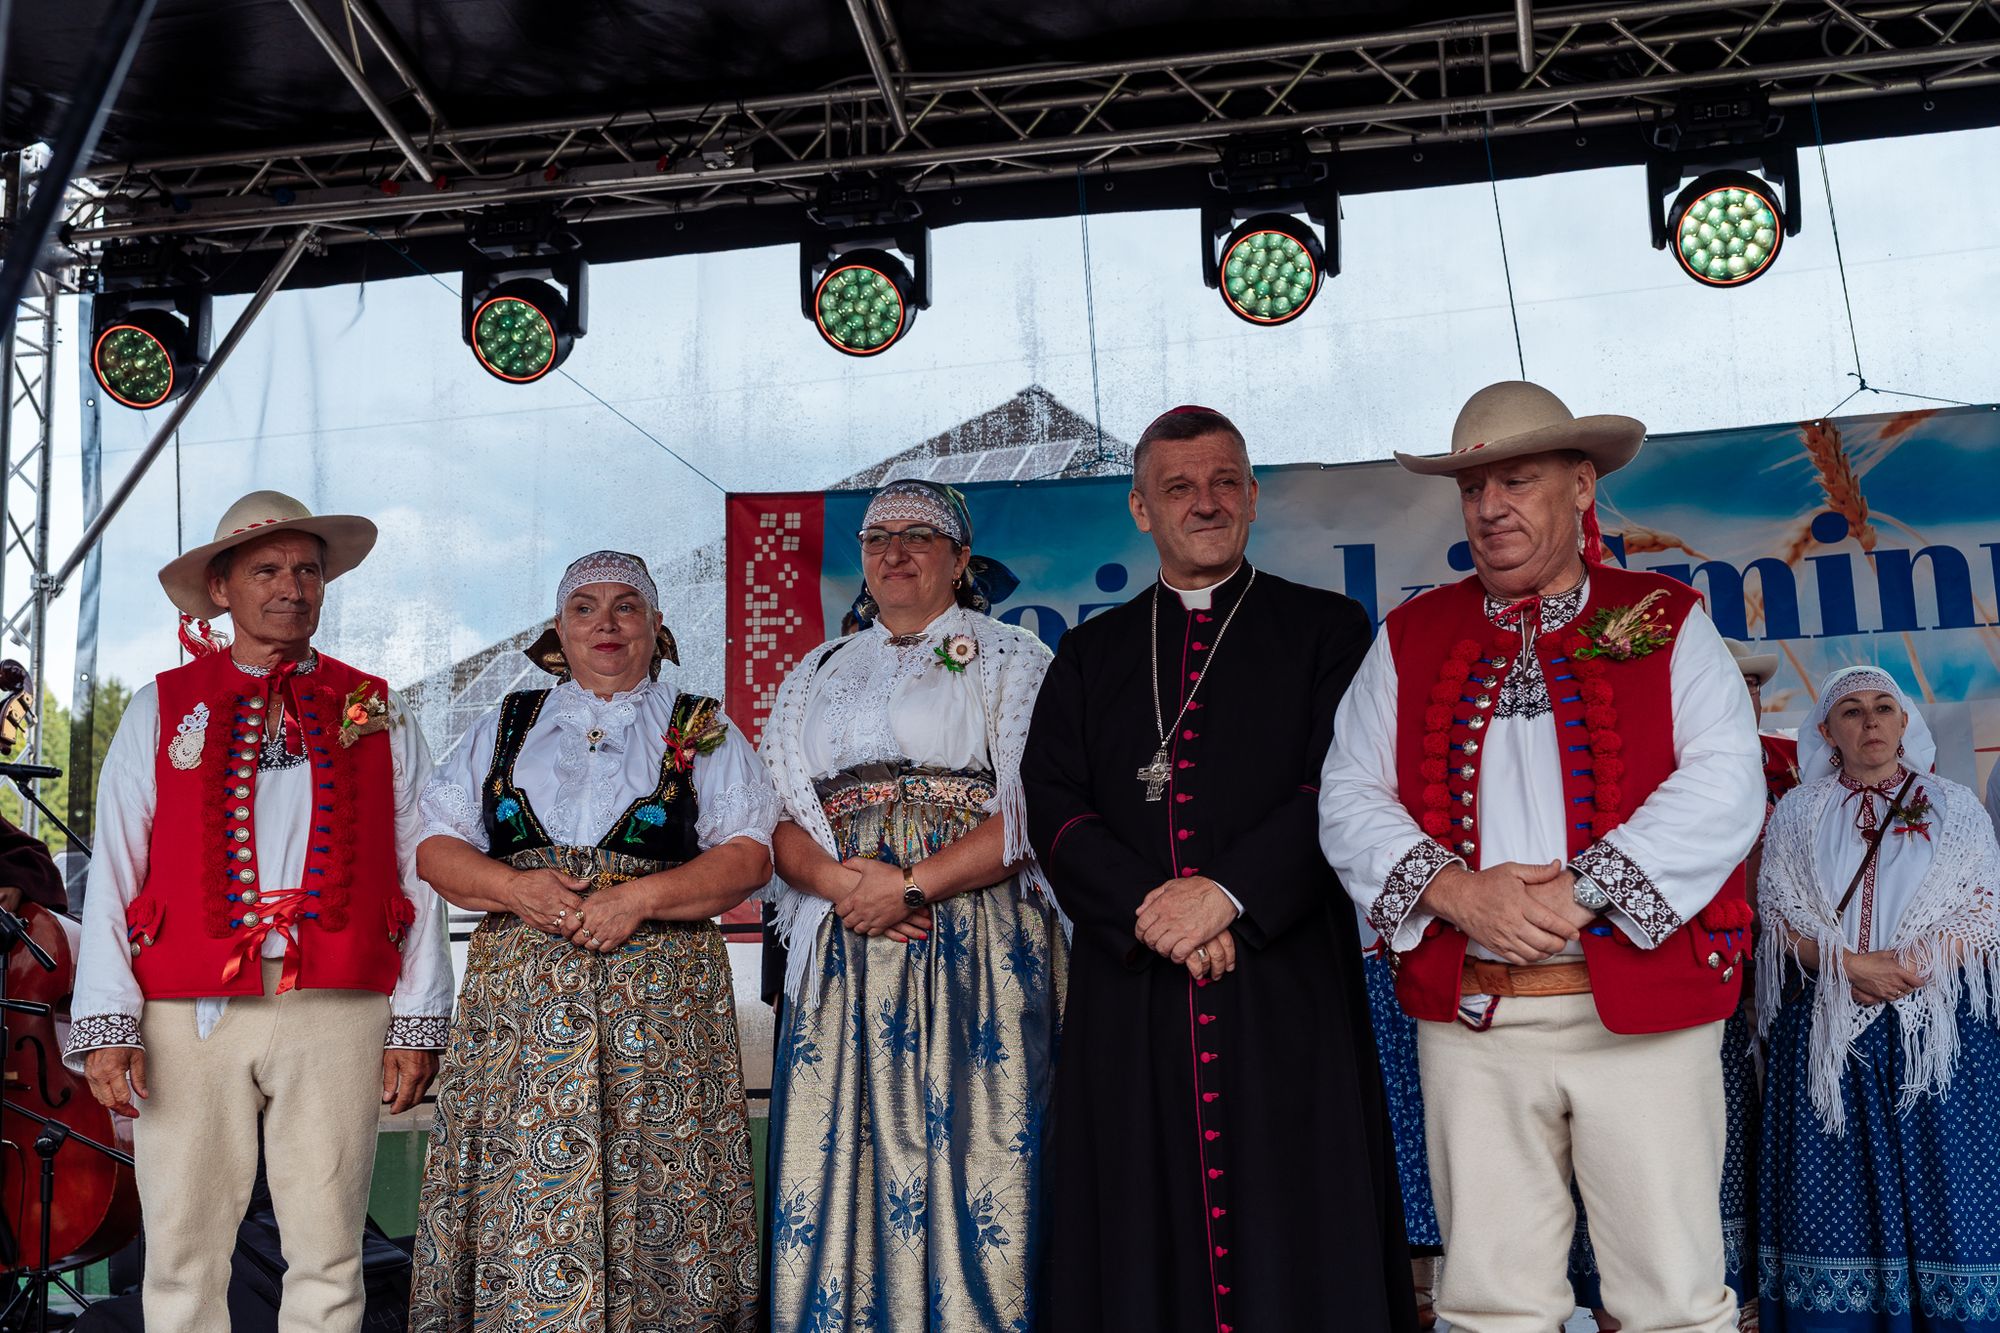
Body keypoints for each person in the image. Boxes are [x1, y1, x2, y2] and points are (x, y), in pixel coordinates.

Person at [1319, 381, 1764, 1333]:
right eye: (1472, 488)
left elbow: (1726, 781)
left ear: (1582, 487)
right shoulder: (1410, 637)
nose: (1490, 507)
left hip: (1642, 1018)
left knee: (1673, 1301)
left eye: (1516, 481)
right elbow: (1348, 794)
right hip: (1475, 1022)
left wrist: (1584, 889)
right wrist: (1456, 891)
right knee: (1490, 1304)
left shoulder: (1667, 617)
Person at [1022, 406, 1415, 1332]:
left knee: (1297, 1216)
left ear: (1253, 496)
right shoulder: (1091, 654)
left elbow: (1342, 786)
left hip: (1284, 979)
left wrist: (1228, 897)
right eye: (1179, 487)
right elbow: (1054, 803)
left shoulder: (1326, 629)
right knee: (1138, 1220)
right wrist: (1154, 912)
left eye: (1225, 482)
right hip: (1138, 986)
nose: (1207, 502)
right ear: (1140, 509)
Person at [63, 490, 454, 1333]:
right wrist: (108, 1022)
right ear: (221, 588)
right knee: (182, 1251)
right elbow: (116, 871)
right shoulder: (159, 707)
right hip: (188, 1008)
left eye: (307, 570)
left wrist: (417, 1019)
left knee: (330, 1251)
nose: (291, 587)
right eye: (268, 569)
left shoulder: (377, 708)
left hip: (339, 1002)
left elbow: (421, 865)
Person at [408, 551, 776, 1333]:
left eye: (625, 606)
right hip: (522, 1013)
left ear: (656, 626)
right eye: (585, 607)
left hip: (659, 1007)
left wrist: (639, 897)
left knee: (661, 1170)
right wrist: (515, 888)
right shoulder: (507, 722)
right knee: (521, 1172)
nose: (605, 623)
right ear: (559, 629)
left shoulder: (699, 725)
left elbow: (749, 855)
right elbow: (435, 848)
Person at [760, 480, 1063, 1333]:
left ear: (960, 559)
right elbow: (774, 817)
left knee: (978, 1145)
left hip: (973, 932)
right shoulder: (817, 669)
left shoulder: (1012, 656)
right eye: (877, 537)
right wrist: (843, 887)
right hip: (845, 938)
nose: (895, 551)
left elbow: (1035, 807)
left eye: (919, 535)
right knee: (839, 1152)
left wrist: (911, 883)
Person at [1756, 666, 2000, 1331]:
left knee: (1948, 1188)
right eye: (1853, 710)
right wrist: (1846, 966)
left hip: (1934, 1031)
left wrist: (1908, 969)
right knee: (1834, 1191)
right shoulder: (1798, 812)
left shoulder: (1952, 805)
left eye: (1884, 707)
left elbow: (1982, 906)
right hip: (1830, 1028)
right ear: (1827, 732)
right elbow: (1778, 915)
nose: (1870, 720)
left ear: (1904, 722)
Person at [1571, 637, 1793, 1330]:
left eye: (1749, 686)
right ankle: (1627, 1298)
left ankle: (1741, 1293)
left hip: (1779, 972)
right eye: (1728, 682)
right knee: (1661, 1139)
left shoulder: (1789, 765)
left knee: (1756, 1137)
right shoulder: (1655, 766)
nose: (1740, 696)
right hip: (1680, 967)